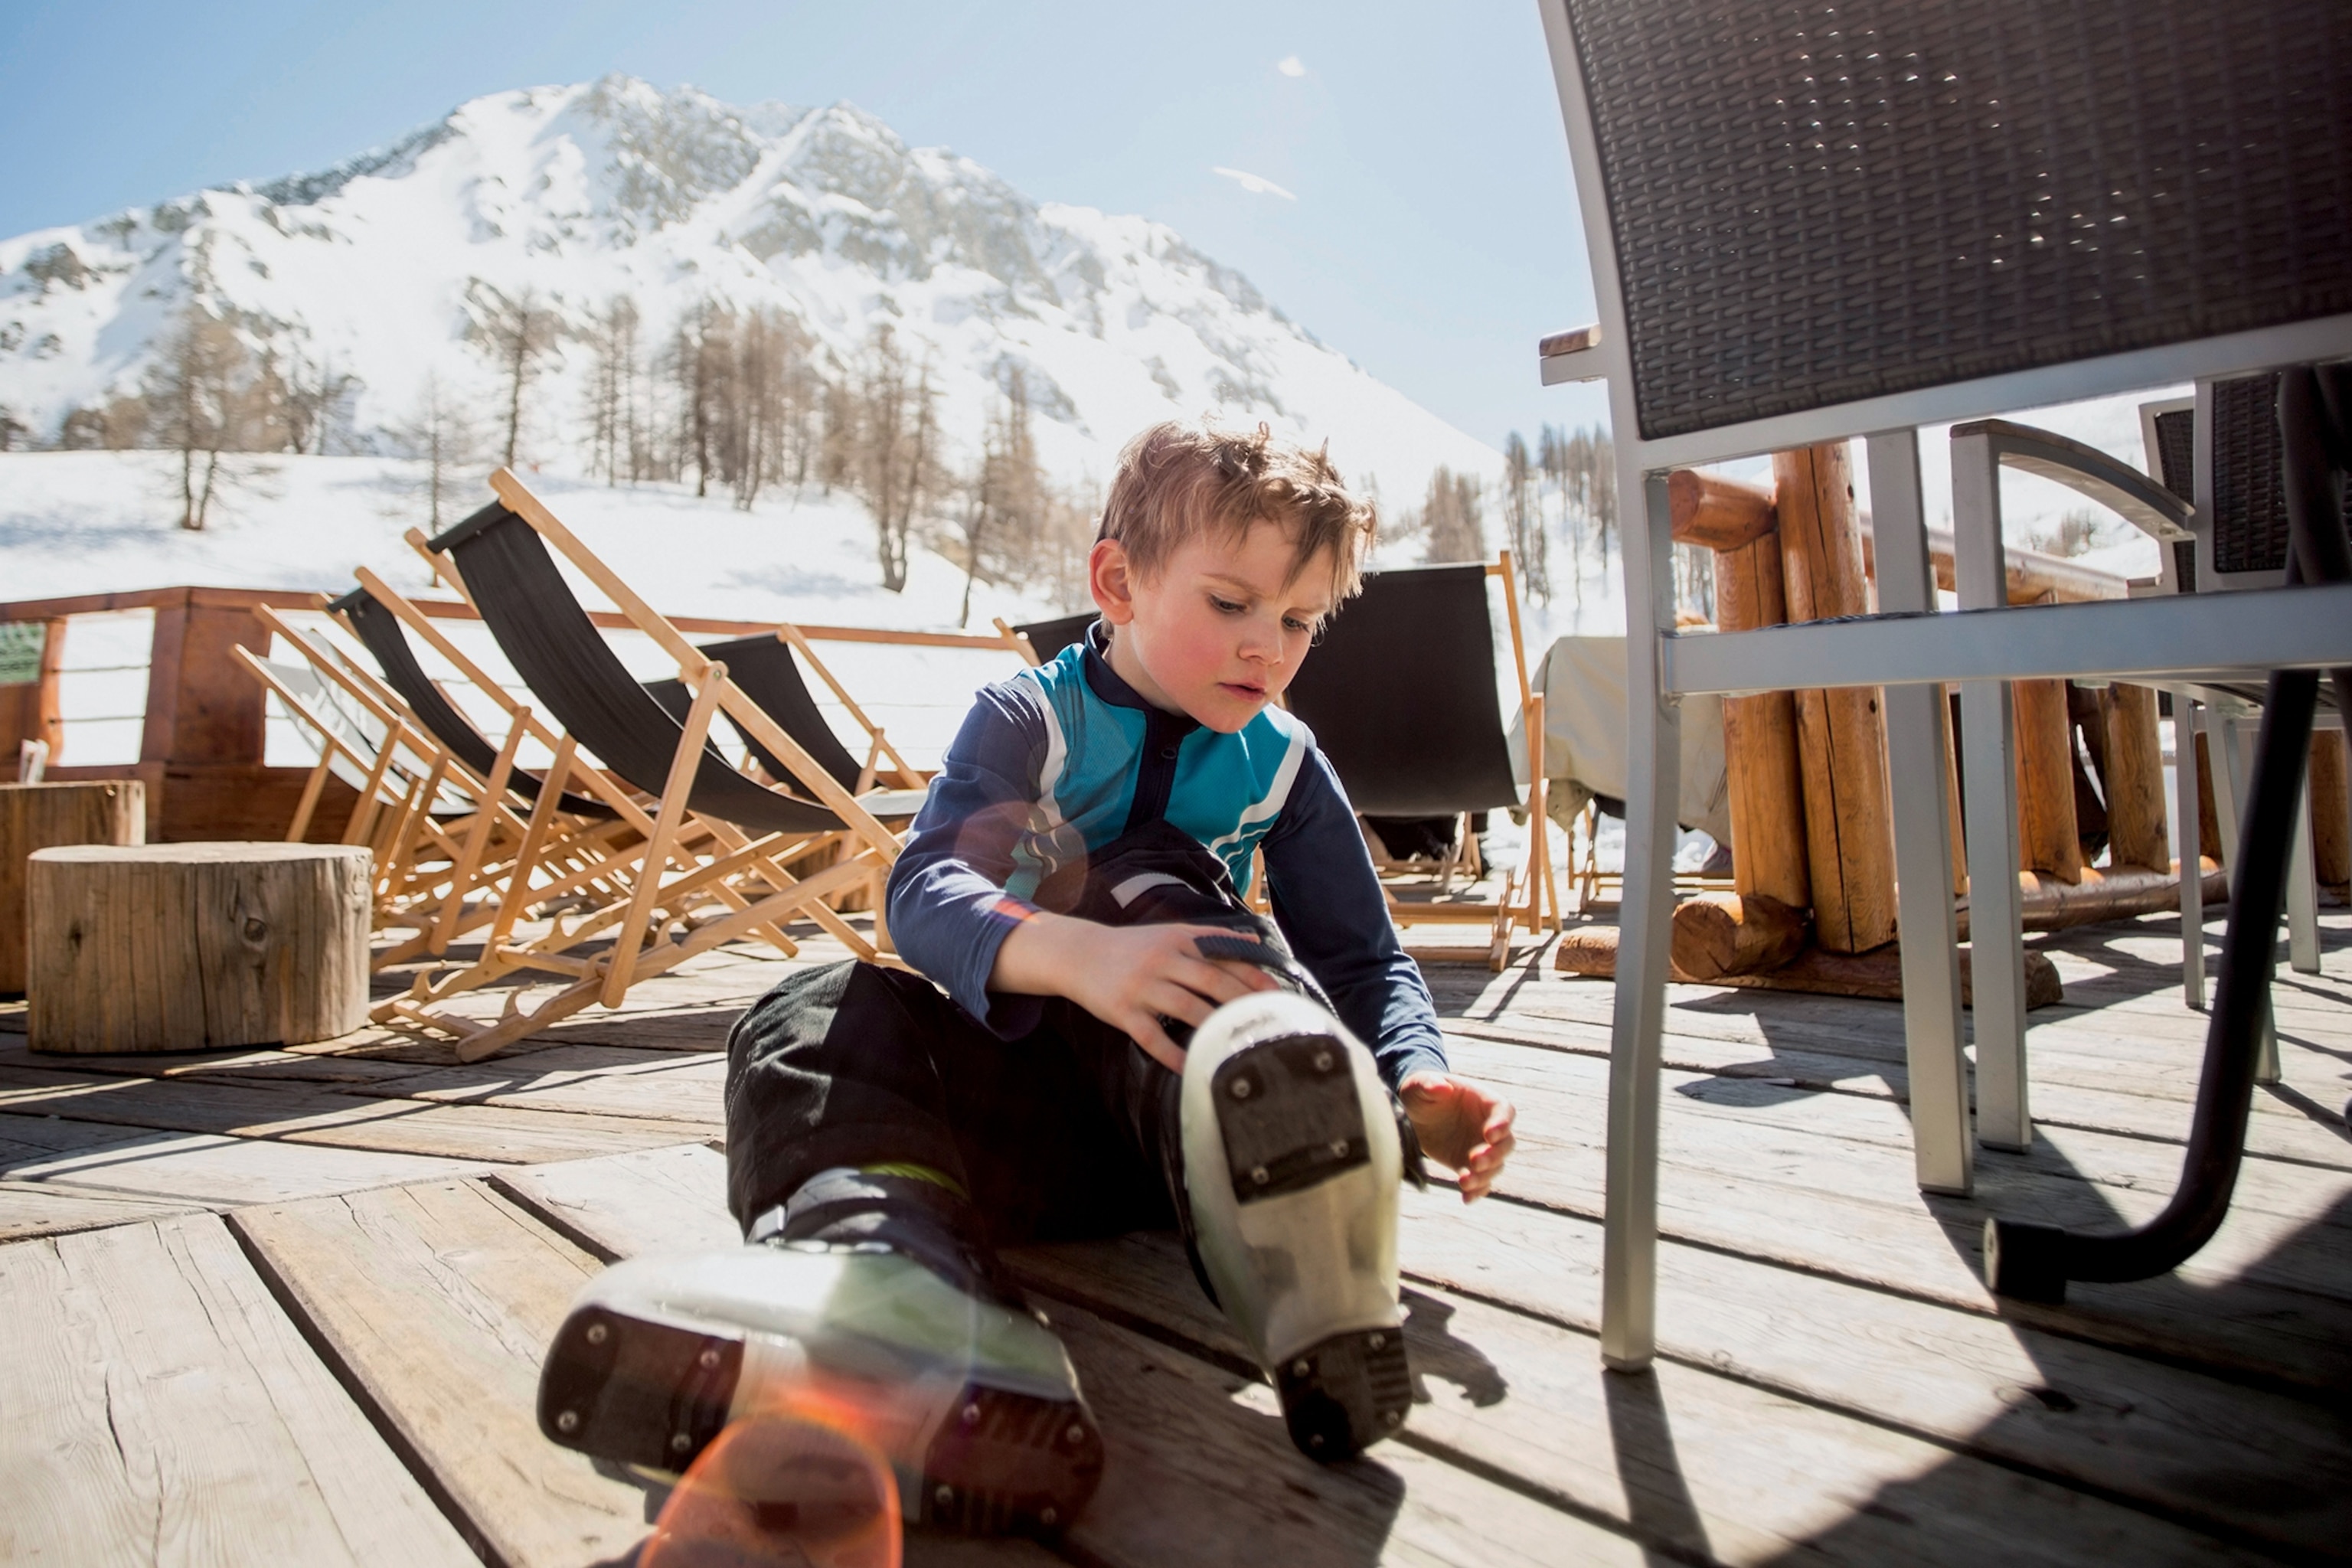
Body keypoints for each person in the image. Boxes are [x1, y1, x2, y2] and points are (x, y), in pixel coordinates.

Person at [537, 420, 1517, 1536]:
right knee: (808, 1011)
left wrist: (1413, 1078)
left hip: (1201, 1121)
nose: (1269, 649)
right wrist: (1081, 956)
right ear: (1120, 581)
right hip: (1030, 1130)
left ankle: (1298, 1244)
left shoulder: (1284, 764)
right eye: (1232, 605)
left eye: (1299, 622)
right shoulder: (1031, 718)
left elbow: (1362, 955)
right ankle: (895, 1288)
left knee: (1153, 868)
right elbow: (923, 892)